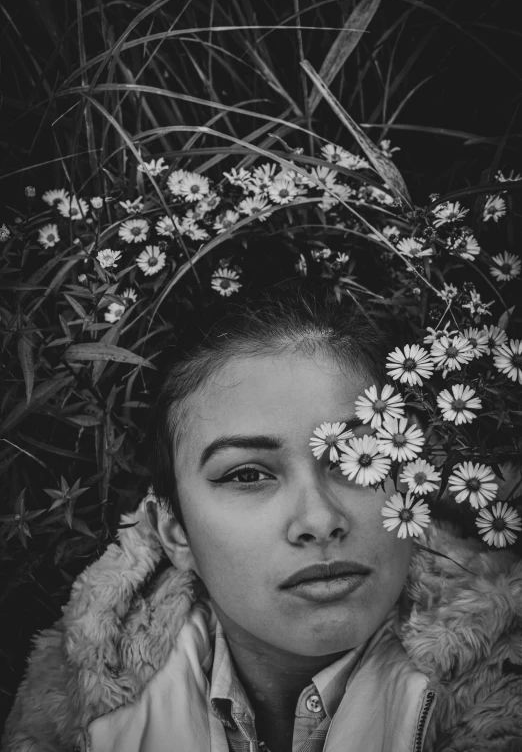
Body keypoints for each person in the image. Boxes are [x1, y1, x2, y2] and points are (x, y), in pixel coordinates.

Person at [2, 280, 522, 752]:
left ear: (410, 478)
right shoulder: (73, 714)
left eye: (353, 459)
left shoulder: (507, 693)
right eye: (247, 475)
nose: (319, 519)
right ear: (174, 531)